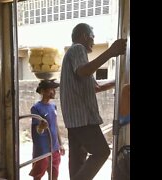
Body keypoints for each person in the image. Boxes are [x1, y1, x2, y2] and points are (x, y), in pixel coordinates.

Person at [59, 23, 127, 180]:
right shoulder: (77, 48)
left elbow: (96, 87)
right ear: (84, 36)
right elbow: (83, 71)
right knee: (102, 152)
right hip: (82, 118)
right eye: (92, 37)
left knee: (77, 160)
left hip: (74, 119)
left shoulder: (75, 55)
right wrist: (110, 52)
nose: (93, 42)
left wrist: (119, 81)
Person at [29, 79, 65, 180]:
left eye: (54, 90)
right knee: (38, 175)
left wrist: (60, 144)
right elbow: (37, 130)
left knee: (54, 174)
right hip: (42, 149)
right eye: (51, 90)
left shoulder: (53, 106)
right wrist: (41, 127)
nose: (54, 92)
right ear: (43, 91)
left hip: (54, 147)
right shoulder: (36, 108)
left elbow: (55, 125)